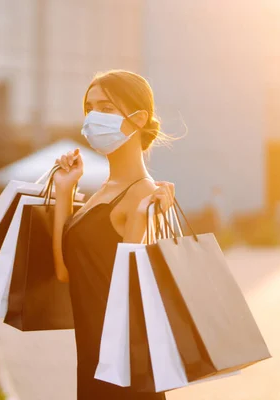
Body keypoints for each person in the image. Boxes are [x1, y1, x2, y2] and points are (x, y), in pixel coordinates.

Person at [52, 70, 175, 399]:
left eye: (106, 109)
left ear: (138, 120)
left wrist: (139, 220)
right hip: (94, 362)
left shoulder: (143, 195)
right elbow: (66, 272)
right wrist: (66, 190)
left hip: (128, 371)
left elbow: (131, 292)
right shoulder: (103, 192)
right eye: (89, 109)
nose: (93, 118)